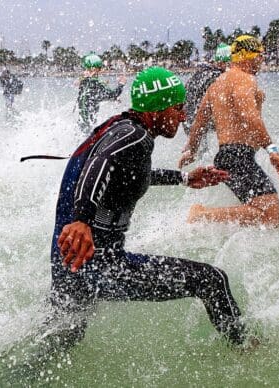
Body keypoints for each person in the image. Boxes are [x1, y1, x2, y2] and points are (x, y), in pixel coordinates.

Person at [48, 67, 254, 350]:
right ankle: (246, 350)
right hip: (99, 262)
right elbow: (101, 164)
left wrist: (183, 178)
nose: (182, 116)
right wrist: (82, 219)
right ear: (157, 108)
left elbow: (128, 174)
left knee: (58, 343)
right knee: (211, 279)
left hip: (73, 262)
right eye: (177, 108)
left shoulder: (121, 128)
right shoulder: (134, 135)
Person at [179, 35, 279, 227]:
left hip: (229, 156)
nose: (262, 60)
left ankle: (210, 222)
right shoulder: (244, 79)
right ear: (249, 55)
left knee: (264, 214)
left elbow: (199, 122)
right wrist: (272, 149)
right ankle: (201, 215)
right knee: (270, 215)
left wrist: (191, 151)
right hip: (238, 156)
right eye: (260, 55)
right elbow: (249, 115)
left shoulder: (217, 83)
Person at [181, 43, 231, 155]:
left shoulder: (202, 72)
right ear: (223, 62)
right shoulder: (216, 75)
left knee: (200, 152)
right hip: (193, 119)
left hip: (186, 117)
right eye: (231, 63)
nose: (232, 67)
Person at [76, 53, 126, 133]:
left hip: (81, 124)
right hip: (90, 126)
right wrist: (121, 84)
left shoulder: (83, 83)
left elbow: (94, 96)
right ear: (96, 69)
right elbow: (113, 94)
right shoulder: (97, 84)